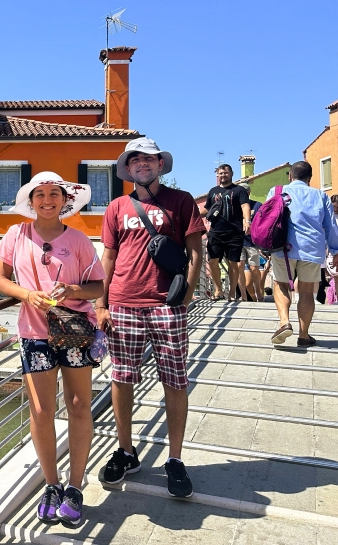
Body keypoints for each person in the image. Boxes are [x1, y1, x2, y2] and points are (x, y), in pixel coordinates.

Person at [96, 138, 205, 498]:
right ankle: (126, 451)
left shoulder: (182, 201)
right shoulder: (115, 207)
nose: (142, 163)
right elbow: (108, 259)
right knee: (122, 378)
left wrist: (185, 298)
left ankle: (174, 459)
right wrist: (101, 304)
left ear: (161, 165)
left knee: (175, 380)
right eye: (136, 159)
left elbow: (194, 253)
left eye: (149, 158)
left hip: (166, 304)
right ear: (128, 168)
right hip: (123, 303)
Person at [0, 171, 105, 527]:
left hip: (73, 331)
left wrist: (71, 290)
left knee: (78, 405)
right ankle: (52, 485)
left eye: (53, 193)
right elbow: (0, 280)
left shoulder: (79, 239)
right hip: (34, 332)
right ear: (31, 200)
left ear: (65, 199)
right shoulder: (16, 234)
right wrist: (28, 294)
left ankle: (75, 486)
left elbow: (97, 287)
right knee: (42, 410)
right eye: (39, 194)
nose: (47, 200)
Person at [268, 162, 338, 346]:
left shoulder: (276, 191)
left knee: (281, 285)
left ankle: (284, 322)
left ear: (290, 176)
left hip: (282, 248)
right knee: (307, 291)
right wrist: (337, 252)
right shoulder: (320, 195)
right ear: (309, 178)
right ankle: (304, 335)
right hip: (311, 248)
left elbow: (267, 218)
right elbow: (331, 226)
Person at [199, 165, 251, 301]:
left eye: (226, 173)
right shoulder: (213, 191)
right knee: (212, 261)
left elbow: (245, 205)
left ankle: (232, 293)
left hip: (234, 232)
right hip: (216, 232)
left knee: (233, 263)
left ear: (231, 174)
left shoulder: (239, 190)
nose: (223, 175)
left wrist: (247, 221)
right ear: (217, 175)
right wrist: (193, 215)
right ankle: (219, 290)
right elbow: (207, 209)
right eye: (221, 173)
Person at [237, 188, 264, 302]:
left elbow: (263, 221)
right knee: (239, 267)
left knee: (254, 268)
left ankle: (258, 291)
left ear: (248, 192)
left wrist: (251, 224)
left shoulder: (257, 205)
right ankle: (243, 295)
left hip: (252, 242)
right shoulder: (235, 206)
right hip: (237, 241)